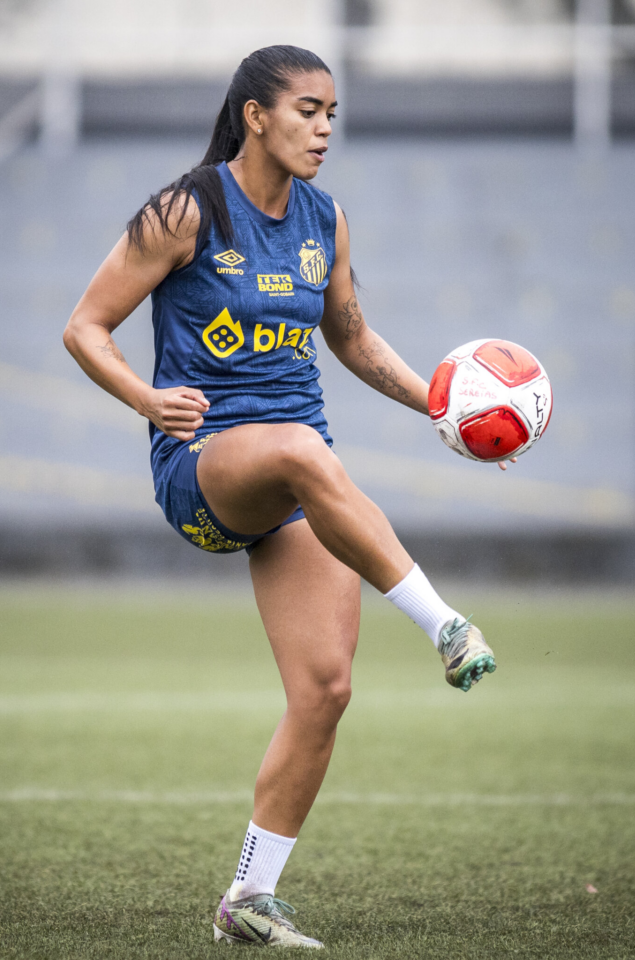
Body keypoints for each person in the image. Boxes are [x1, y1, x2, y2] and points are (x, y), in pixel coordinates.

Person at [64, 44, 504, 949]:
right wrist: (146, 398)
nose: (324, 128)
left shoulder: (324, 219)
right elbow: (85, 326)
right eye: (307, 109)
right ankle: (442, 623)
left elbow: (349, 333)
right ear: (255, 116)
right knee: (305, 450)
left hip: (302, 478)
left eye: (332, 113)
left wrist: (445, 407)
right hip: (204, 470)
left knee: (326, 689)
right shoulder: (185, 210)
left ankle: (247, 901)